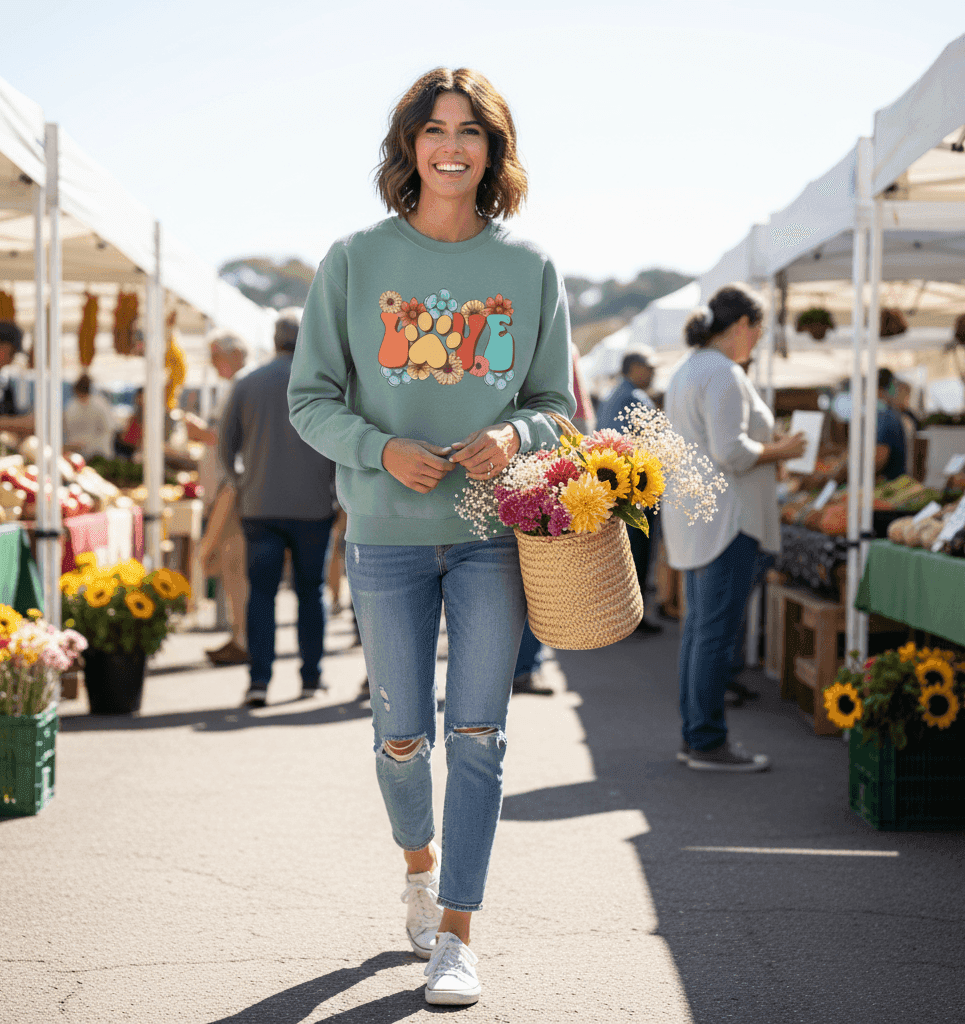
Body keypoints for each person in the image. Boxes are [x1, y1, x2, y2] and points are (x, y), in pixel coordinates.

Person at [288, 67, 574, 1007]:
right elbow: (310, 399)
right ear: (409, 146)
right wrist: (380, 448)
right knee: (401, 735)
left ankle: (457, 929)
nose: (452, 146)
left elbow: (553, 407)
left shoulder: (529, 269)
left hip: (494, 536)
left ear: (494, 151)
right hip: (385, 531)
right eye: (435, 129)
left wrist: (515, 435)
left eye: (471, 131)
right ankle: (419, 863)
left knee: (481, 734)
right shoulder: (354, 260)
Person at [661, 286, 806, 772]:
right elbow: (732, 452)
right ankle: (706, 740)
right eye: (759, 329)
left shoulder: (690, 370)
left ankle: (698, 736)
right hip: (727, 522)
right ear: (742, 324)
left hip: (702, 520)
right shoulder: (721, 372)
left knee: (701, 634)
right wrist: (782, 451)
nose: (759, 339)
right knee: (715, 637)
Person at [221, 309, 335, 707]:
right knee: (311, 592)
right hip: (314, 505)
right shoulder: (325, 384)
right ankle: (311, 678)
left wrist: (242, 483)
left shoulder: (247, 383)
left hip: (260, 506)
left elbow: (226, 447)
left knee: (262, 595)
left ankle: (259, 681)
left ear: (274, 339)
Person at [194, 330, 250, 667]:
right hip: (228, 490)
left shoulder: (241, 386)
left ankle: (242, 638)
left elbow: (229, 438)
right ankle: (239, 635)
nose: (213, 363)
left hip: (231, 491)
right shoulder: (239, 385)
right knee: (230, 566)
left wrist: (198, 433)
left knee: (231, 563)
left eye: (215, 355)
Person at [596, 345, 662, 634]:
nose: (654, 371)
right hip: (635, 491)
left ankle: (619, 618)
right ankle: (632, 619)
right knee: (636, 554)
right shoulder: (634, 397)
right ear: (634, 368)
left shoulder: (614, 394)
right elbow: (652, 442)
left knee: (621, 556)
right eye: (650, 366)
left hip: (616, 489)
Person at [63, 374, 115, 459]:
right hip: (76, 454)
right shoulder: (72, 405)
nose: (81, 398)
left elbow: (109, 429)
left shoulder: (99, 404)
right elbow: (68, 429)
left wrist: (87, 444)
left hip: (98, 454)